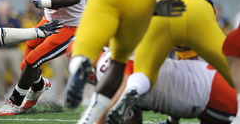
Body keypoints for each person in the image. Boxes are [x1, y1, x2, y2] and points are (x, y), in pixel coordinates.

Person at [120, 0, 240, 122]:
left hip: (178, 9)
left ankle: (135, 86)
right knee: (233, 53)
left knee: (233, 57)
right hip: (196, 10)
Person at [98, 48, 236, 124]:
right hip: (210, 74)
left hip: (210, 98)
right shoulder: (122, 49)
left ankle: (137, 85)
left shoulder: (106, 76)